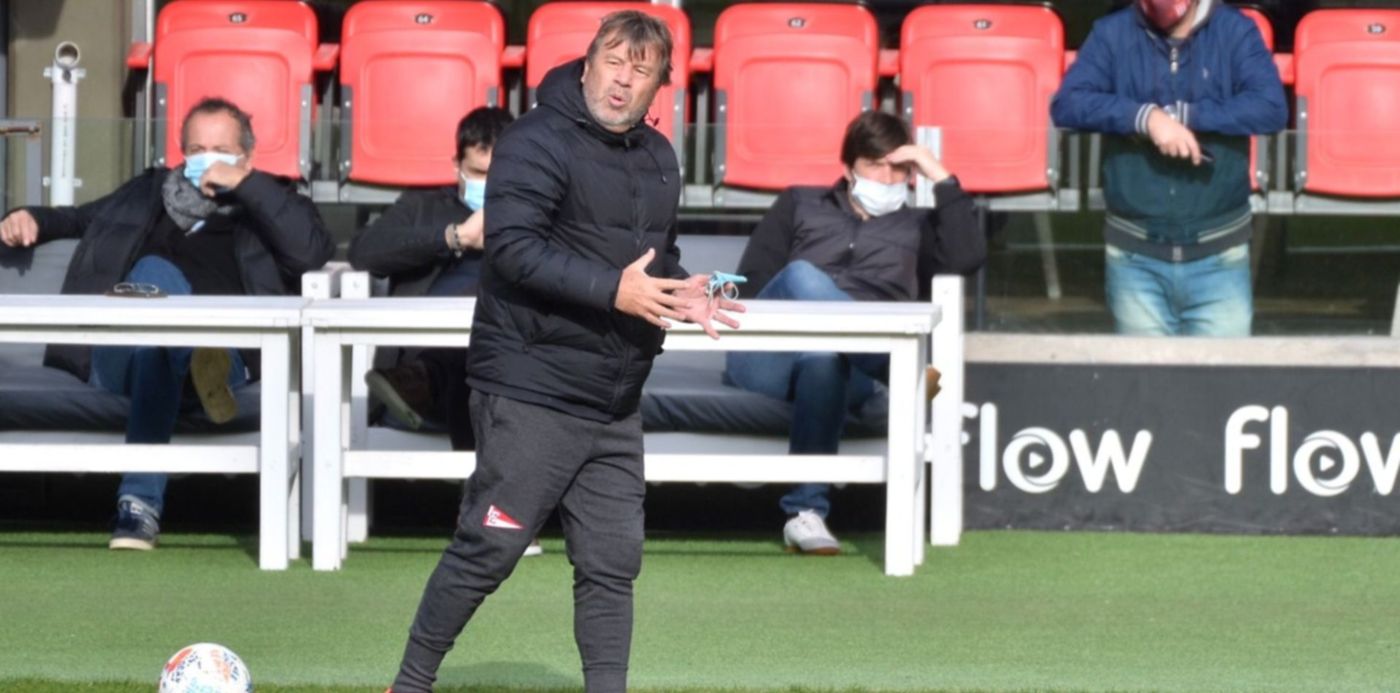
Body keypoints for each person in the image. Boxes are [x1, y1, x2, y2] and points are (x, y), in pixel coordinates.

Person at [388, 11, 741, 693]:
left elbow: (652, 258)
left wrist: (681, 293)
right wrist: (615, 290)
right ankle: (408, 683)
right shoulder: (533, 140)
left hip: (615, 394)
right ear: (587, 64)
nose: (623, 79)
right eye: (613, 61)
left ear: (659, 86)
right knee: (489, 548)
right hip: (532, 387)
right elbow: (513, 250)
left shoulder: (660, 157)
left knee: (613, 562)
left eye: (641, 69)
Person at [0, 97, 334, 551]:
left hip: (228, 352)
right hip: (120, 352)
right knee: (156, 277)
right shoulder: (146, 195)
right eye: (196, 149)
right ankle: (195, 362)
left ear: (248, 156)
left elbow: (310, 252)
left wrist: (247, 187)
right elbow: (77, 219)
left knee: (160, 350)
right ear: (181, 153)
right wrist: (29, 217)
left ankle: (139, 506)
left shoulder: (273, 203)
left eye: (221, 150)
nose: (207, 159)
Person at [724, 111, 984, 555]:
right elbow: (752, 283)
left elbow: (968, 256)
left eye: (898, 168)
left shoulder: (918, 227)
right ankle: (900, 375)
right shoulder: (799, 203)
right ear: (848, 168)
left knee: (825, 358)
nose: (887, 177)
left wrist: (939, 174)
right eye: (874, 165)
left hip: (845, 371)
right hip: (767, 355)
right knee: (802, 275)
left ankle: (805, 514)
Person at [348, 106, 545, 557]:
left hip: (513, 359)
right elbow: (364, 252)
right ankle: (498, 515)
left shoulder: (540, 212)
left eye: (500, 175)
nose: (488, 186)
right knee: (475, 355)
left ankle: (422, 382)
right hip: (435, 344)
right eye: (478, 173)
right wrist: (454, 237)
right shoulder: (424, 206)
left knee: (480, 350)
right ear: (457, 165)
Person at [1051, 0, 1287, 336]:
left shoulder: (1235, 30)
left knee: (1223, 372)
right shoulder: (1112, 33)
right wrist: (1145, 118)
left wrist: (1185, 116)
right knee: (1142, 373)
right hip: (1134, 255)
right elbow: (1068, 103)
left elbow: (1270, 107)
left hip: (1219, 253)